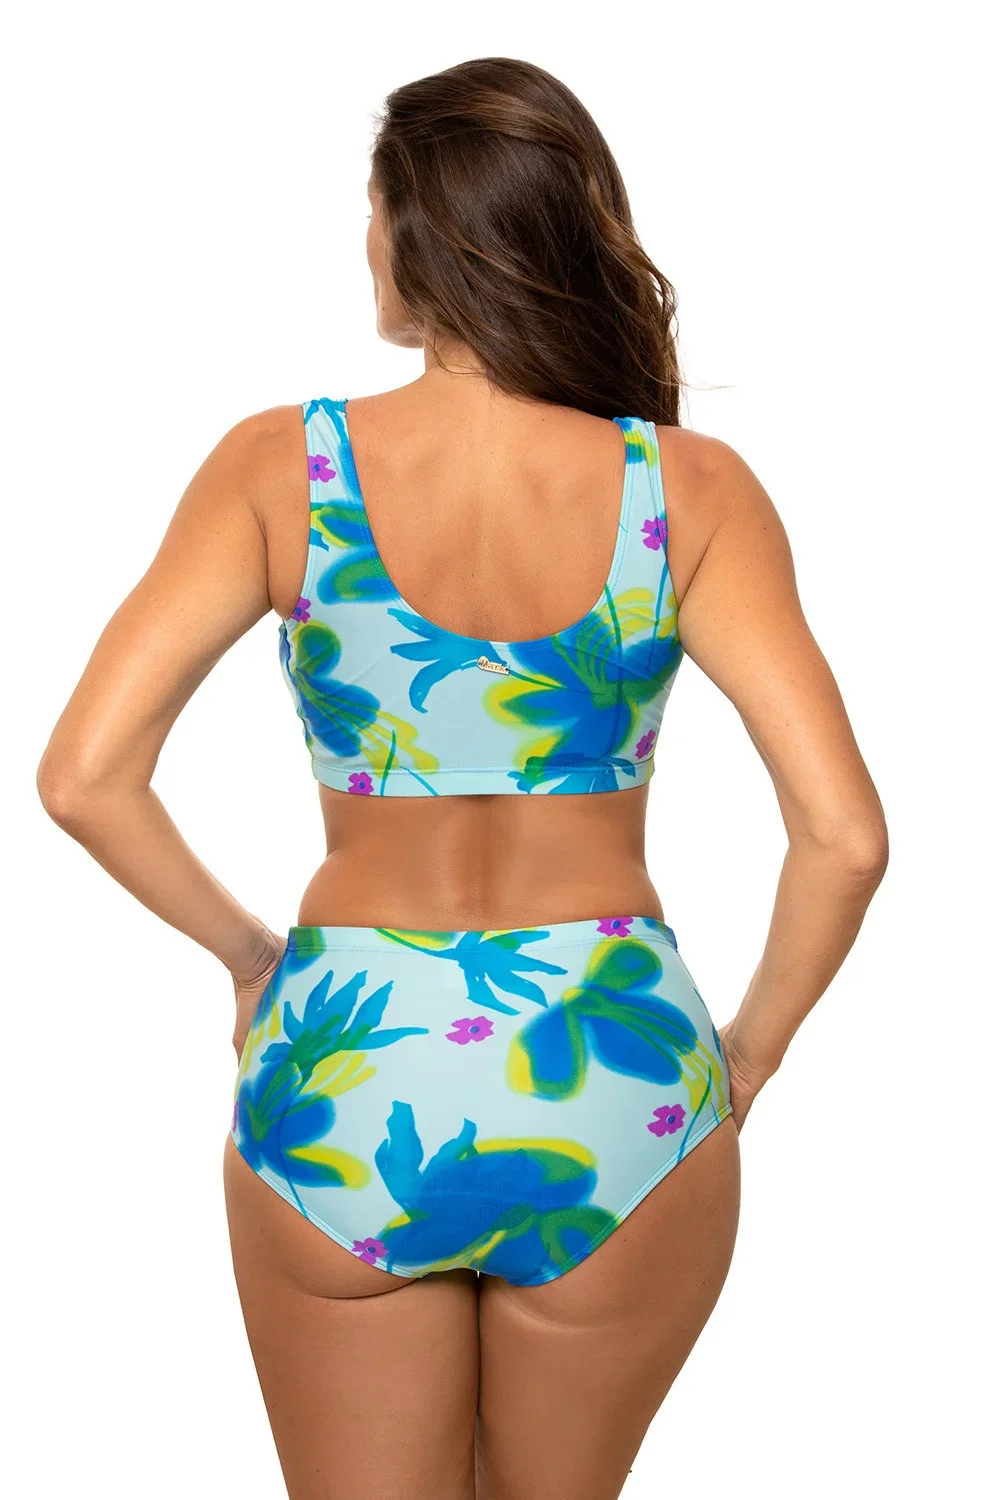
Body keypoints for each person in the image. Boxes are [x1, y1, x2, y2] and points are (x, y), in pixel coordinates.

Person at [37, 55, 888, 1500]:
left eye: (371, 208)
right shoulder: (690, 490)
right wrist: (746, 1057)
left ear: (417, 226)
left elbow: (84, 777)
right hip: (613, 1053)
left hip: (350, 1055)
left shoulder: (282, 467)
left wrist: (250, 959)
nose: (363, 240)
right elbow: (845, 837)